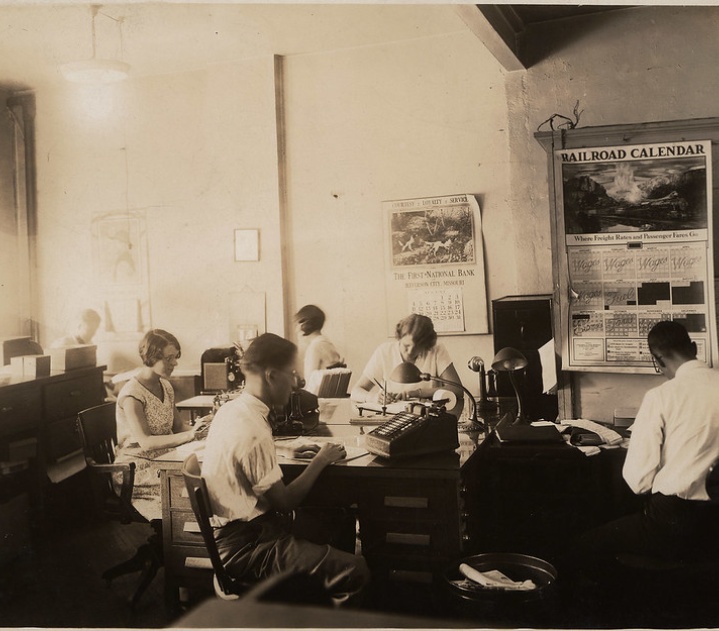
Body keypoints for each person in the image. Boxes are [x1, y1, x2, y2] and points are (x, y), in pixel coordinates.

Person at [201, 333, 369, 606]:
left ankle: (313, 604)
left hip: (240, 535)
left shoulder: (233, 410)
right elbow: (285, 502)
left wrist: (284, 451)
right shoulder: (254, 430)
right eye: (291, 374)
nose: (294, 384)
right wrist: (321, 459)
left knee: (338, 521)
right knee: (356, 570)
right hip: (249, 548)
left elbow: (244, 459)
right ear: (271, 376)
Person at [566, 320, 719, 593]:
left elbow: (639, 481)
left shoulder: (661, 396)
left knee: (584, 547)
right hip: (713, 526)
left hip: (674, 522)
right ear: (694, 348)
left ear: (657, 359)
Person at [115, 329, 208, 521]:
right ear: (150, 357)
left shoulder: (165, 385)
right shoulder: (132, 395)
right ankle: (177, 539)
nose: (174, 363)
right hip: (137, 471)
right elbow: (146, 442)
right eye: (168, 358)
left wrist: (202, 427)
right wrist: (190, 436)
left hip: (165, 459)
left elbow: (179, 427)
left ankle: (195, 539)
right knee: (190, 489)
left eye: (175, 357)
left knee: (204, 478)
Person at [350, 313, 465, 416]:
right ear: (399, 338)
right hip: (391, 419)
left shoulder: (436, 350)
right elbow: (356, 391)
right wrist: (374, 398)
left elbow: (457, 389)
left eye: (417, 347)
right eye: (406, 346)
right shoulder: (384, 352)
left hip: (426, 418)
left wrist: (417, 393)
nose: (410, 352)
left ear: (426, 345)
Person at [294, 304, 343, 380]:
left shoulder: (314, 347)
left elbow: (309, 382)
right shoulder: (327, 343)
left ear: (304, 324)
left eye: (297, 324)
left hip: (318, 391)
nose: (296, 330)